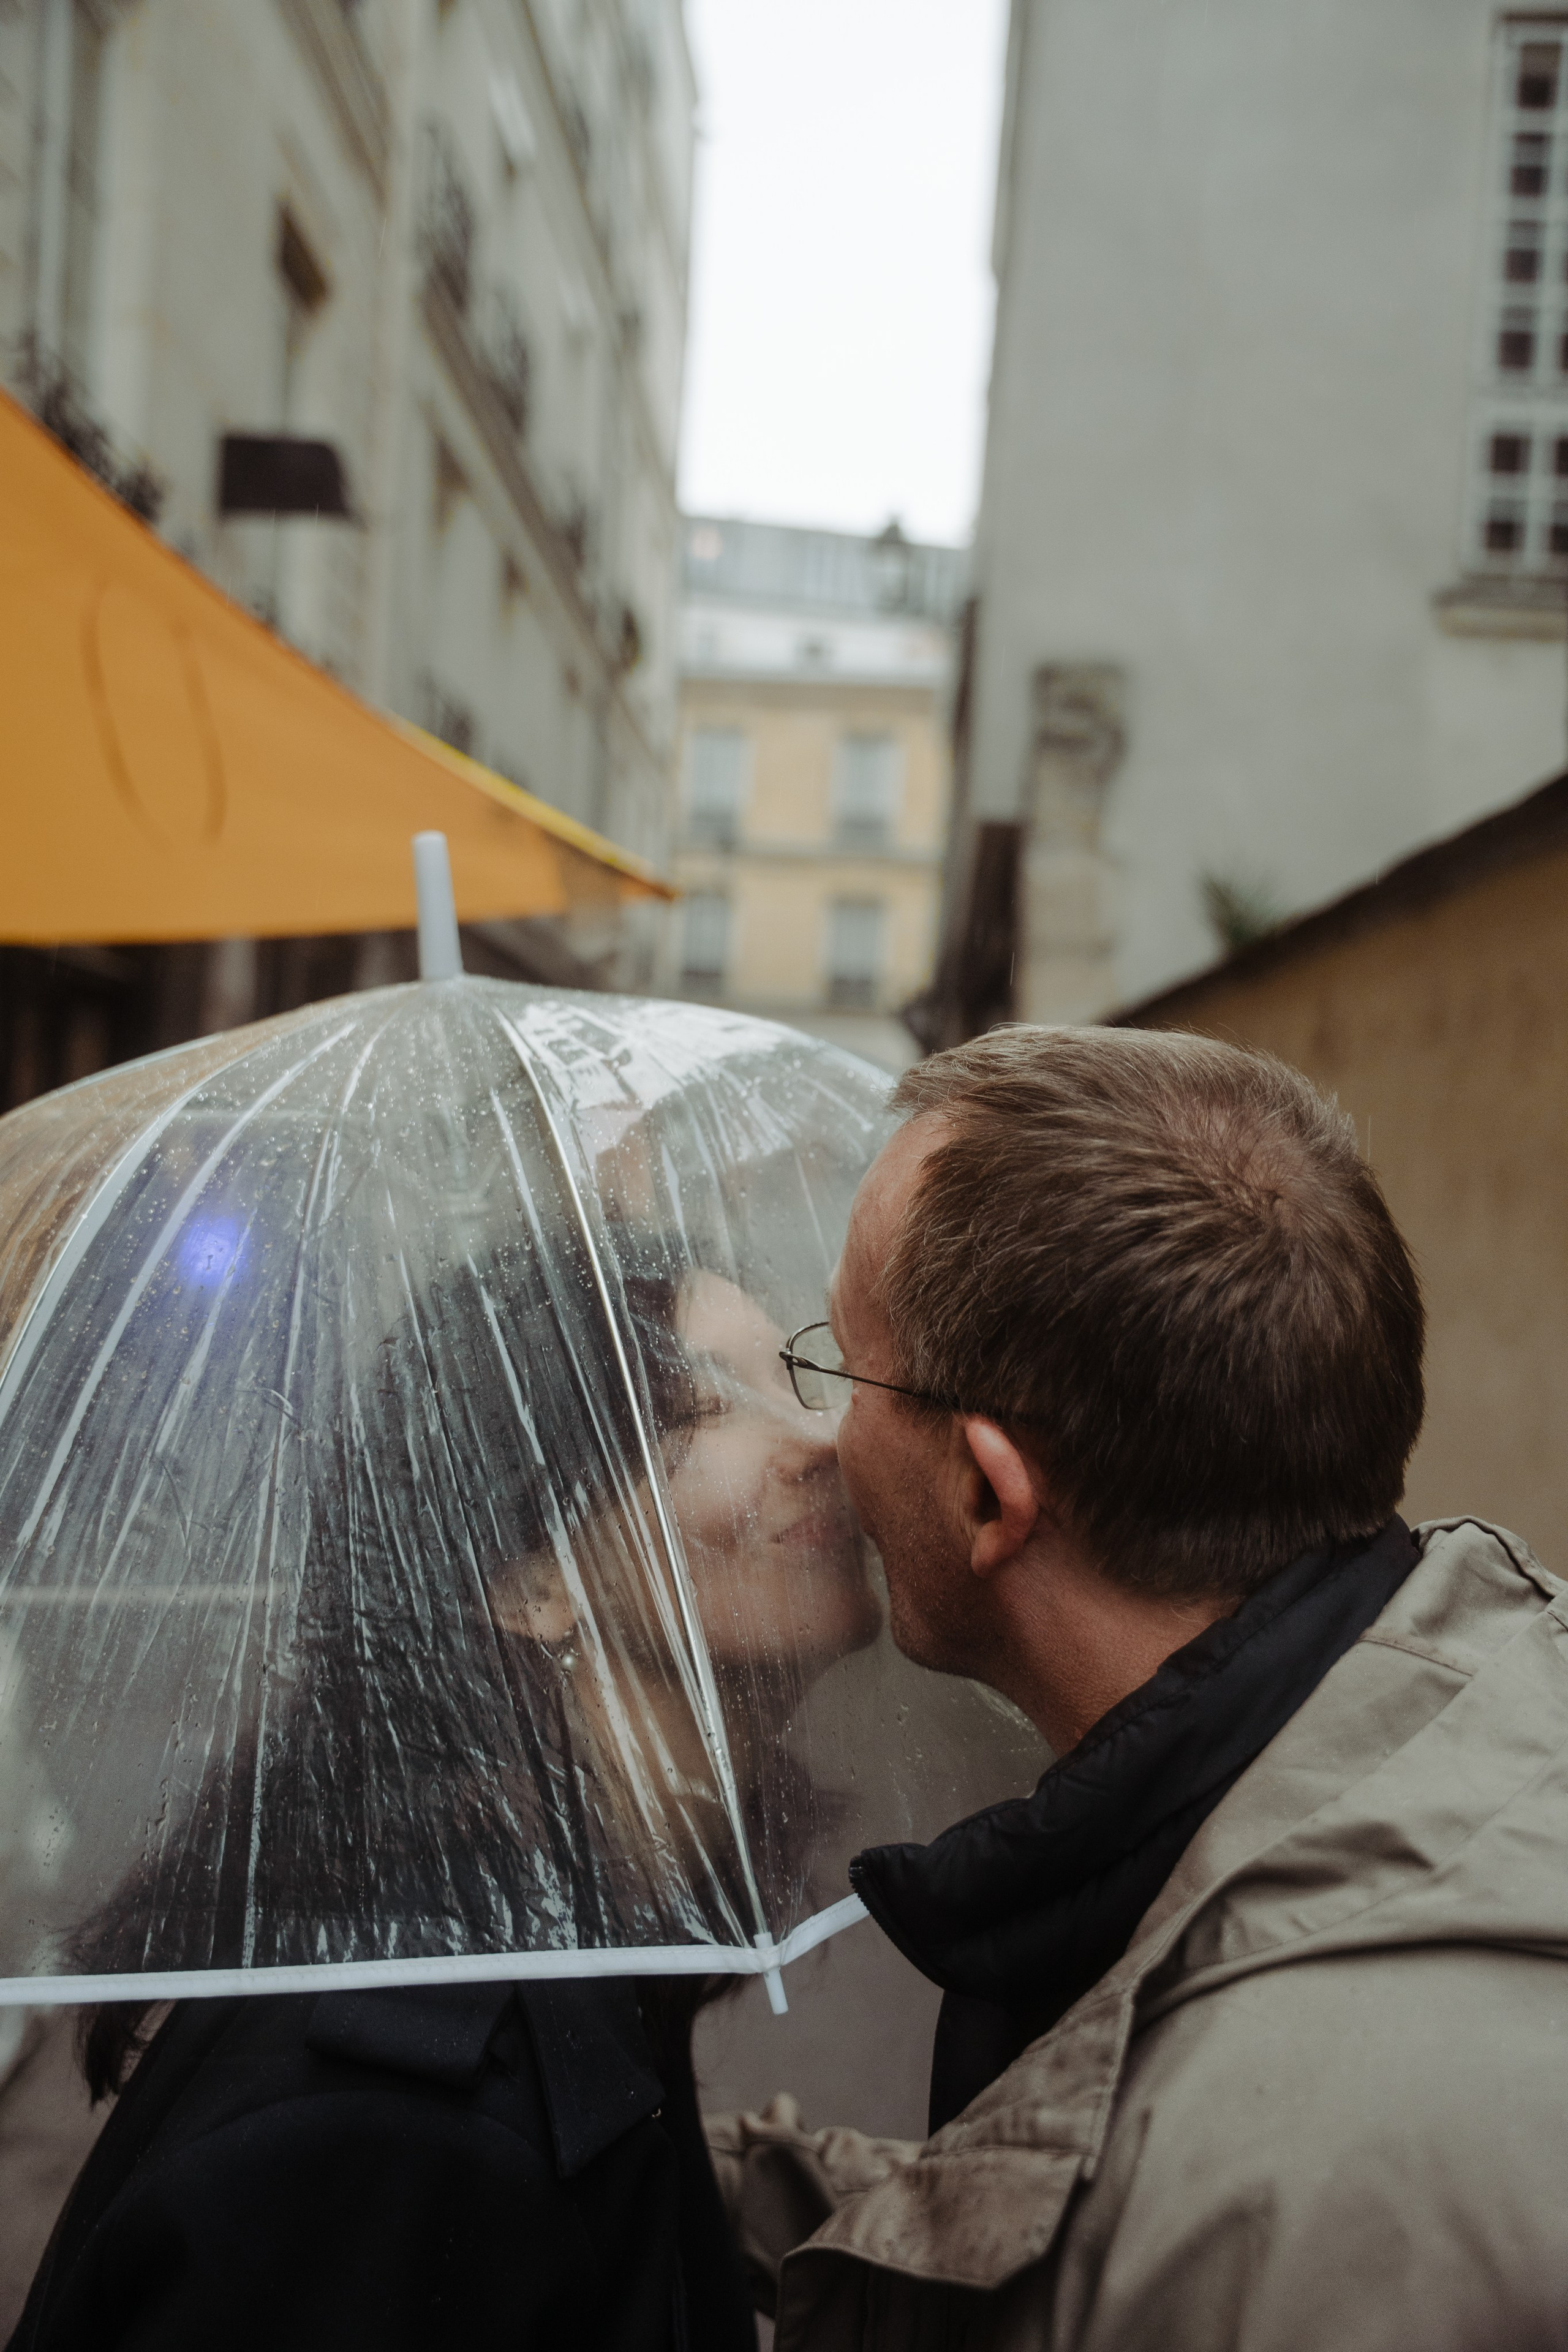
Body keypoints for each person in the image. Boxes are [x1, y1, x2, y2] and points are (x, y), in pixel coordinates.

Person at [710, 1024, 1568, 2351]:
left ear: (987, 1491)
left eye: (844, 1370)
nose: (825, 1439)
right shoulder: (1460, 1727)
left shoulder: (1280, 2200)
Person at [7, 1237, 876, 2352]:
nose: (822, 1438)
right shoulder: (390, 2131)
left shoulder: (577, 1953)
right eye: (705, 1404)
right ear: (531, 1582)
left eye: (794, 1380)